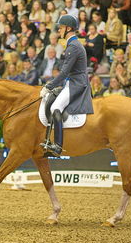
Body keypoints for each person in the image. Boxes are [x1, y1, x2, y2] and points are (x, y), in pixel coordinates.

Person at [40, 15, 94, 157]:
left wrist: (49, 85)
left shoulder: (74, 46)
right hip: (73, 81)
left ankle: (57, 146)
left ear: (69, 28)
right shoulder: (72, 45)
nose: (59, 30)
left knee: (55, 107)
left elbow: (64, 72)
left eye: (61, 27)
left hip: (76, 83)